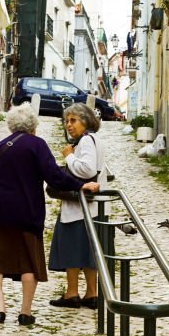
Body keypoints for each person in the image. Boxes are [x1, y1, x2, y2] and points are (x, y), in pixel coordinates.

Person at [0, 104, 100, 326]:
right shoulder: (37, 145)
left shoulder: (0, 146)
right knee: (29, 262)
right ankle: (25, 313)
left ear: (12, 125)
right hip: (26, 213)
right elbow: (54, 176)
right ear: (33, 126)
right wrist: (80, 186)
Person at [48, 103, 107, 310]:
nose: (68, 125)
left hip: (79, 207)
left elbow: (86, 169)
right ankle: (91, 293)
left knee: (71, 250)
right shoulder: (94, 140)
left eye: (73, 121)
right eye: (66, 121)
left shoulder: (85, 142)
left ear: (86, 121)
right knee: (89, 253)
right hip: (93, 208)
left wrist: (68, 156)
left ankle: (72, 292)